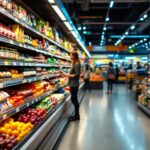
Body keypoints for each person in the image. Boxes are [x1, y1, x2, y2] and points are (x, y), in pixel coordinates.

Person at [62, 52, 81, 121]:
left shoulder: (77, 64)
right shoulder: (75, 63)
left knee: (74, 99)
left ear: (74, 56)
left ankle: (77, 116)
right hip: (73, 84)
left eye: (70, 55)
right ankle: (76, 115)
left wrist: (66, 75)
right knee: (74, 99)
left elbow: (77, 75)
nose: (70, 56)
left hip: (74, 84)